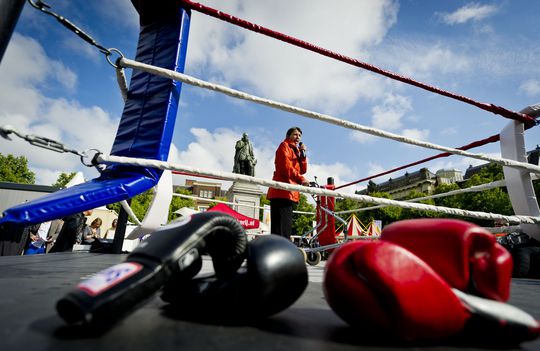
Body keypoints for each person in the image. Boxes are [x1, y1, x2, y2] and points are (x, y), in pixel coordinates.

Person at [267, 127, 309, 239]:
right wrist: (301, 179)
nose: (298, 137)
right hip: (282, 191)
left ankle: (281, 251)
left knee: (285, 228)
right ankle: (280, 252)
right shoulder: (284, 146)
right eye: (295, 134)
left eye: (300, 135)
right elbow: (285, 168)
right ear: (288, 135)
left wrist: (303, 155)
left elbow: (303, 170)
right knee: (280, 229)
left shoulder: (296, 150)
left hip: (289, 192)